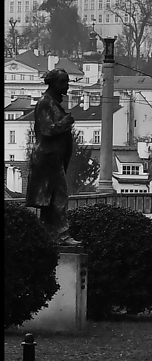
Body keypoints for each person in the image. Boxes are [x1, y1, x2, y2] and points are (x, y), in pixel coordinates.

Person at [26, 68, 77, 243]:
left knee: (49, 199)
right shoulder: (44, 103)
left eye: (67, 82)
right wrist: (65, 122)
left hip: (54, 159)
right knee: (59, 195)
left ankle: (46, 235)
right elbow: (47, 129)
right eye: (63, 82)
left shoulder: (53, 104)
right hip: (47, 159)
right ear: (53, 83)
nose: (67, 87)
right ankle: (63, 235)